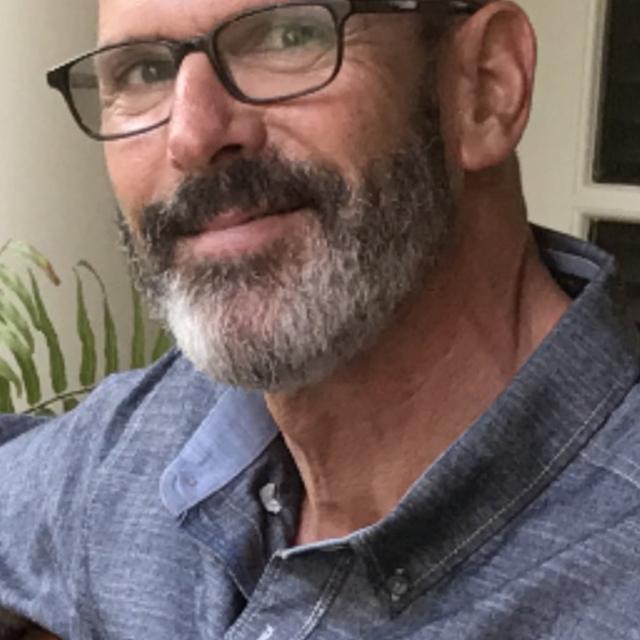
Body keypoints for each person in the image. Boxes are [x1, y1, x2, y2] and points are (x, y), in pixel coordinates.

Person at [2, 0, 640, 638]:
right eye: (142, 72)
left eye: (288, 35)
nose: (192, 137)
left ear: (485, 85)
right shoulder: (155, 437)